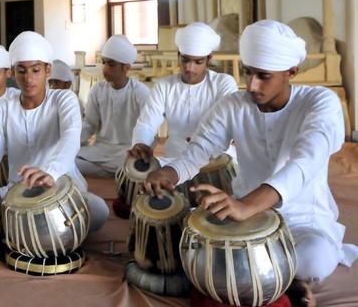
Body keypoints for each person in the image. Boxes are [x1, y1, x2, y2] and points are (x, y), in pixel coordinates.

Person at [143, 20, 358, 307]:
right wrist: (170, 172)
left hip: (304, 217)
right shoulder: (234, 105)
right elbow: (201, 148)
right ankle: (281, 281)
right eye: (248, 72)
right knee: (181, 237)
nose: (252, 85)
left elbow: (304, 163)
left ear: (291, 72)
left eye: (263, 76)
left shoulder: (319, 102)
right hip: (243, 214)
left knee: (316, 259)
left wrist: (247, 205)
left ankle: (293, 281)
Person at [0, 31, 109, 232]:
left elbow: (71, 139)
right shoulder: (3, 108)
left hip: (61, 186)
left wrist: (50, 171)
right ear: (12, 72)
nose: (28, 78)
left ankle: (14, 227)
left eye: (35, 70)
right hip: (18, 191)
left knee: (99, 210)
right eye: (21, 71)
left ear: (48, 70)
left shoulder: (63, 100)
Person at [129, 22, 238, 164]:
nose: (190, 68)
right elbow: (147, 124)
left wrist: (203, 140)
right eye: (185, 60)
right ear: (178, 55)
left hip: (215, 159)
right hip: (174, 160)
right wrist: (141, 144)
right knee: (136, 172)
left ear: (209, 59)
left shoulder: (223, 83)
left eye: (198, 62)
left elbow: (227, 123)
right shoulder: (164, 86)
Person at [76, 35, 149, 177]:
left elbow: (149, 128)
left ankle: (117, 172)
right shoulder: (97, 89)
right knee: (70, 161)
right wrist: (70, 145)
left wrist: (141, 151)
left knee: (138, 166)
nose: (105, 69)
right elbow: (89, 124)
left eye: (111, 64)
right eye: (104, 63)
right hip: (100, 150)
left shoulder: (140, 91)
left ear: (126, 67)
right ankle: (116, 173)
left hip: (128, 151)